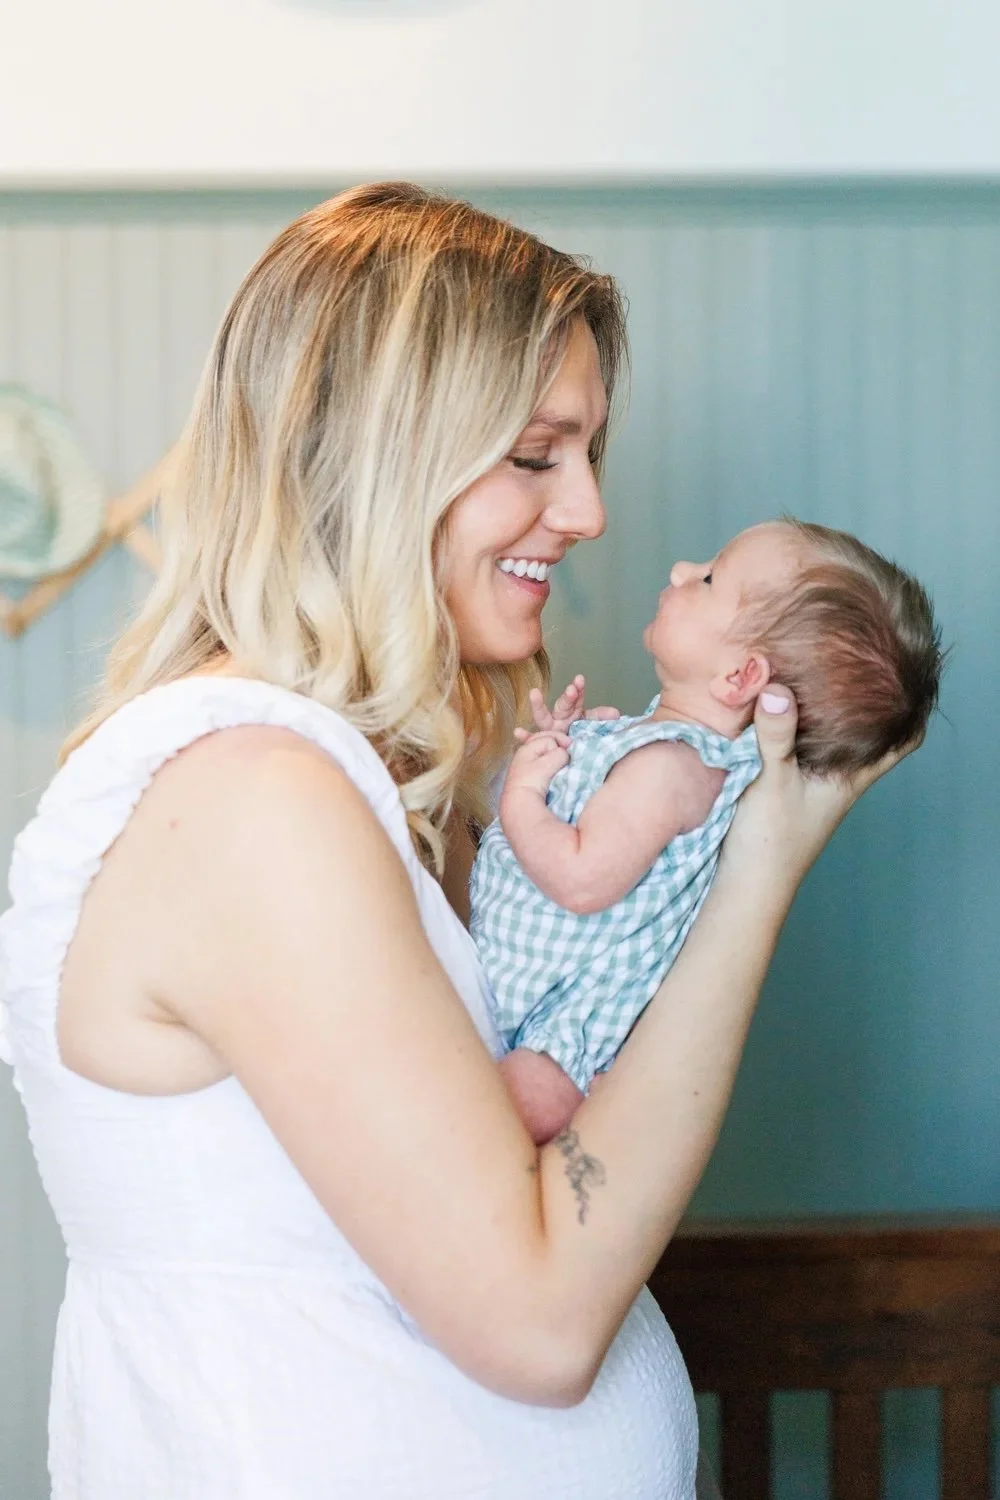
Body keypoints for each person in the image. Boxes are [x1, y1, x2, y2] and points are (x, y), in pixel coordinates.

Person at [0, 182, 918, 1500]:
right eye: (538, 455)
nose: (592, 510)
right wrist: (763, 865)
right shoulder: (256, 800)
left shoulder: (375, 780)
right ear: (383, 456)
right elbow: (540, 1322)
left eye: (590, 452)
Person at [472, 519, 943, 1144]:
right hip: (523, 999)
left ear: (742, 677)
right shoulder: (661, 753)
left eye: (710, 578)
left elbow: (581, 880)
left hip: (552, 1037)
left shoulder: (670, 770)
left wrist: (525, 794)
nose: (680, 572)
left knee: (467, 1125)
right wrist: (566, 752)